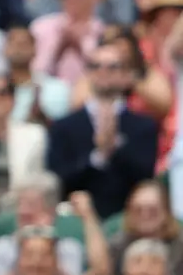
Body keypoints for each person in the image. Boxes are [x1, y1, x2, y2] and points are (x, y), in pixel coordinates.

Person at [47, 30, 160, 220]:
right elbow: (58, 180)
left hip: (129, 219)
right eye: (96, 66)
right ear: (88, 73)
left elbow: (144, 178)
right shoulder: (64, 126)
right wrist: (97, 156)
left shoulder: (144, 126)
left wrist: (114, 149)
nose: (103, 72)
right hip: (75, 219)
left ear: (127, 75)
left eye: (113, 67)